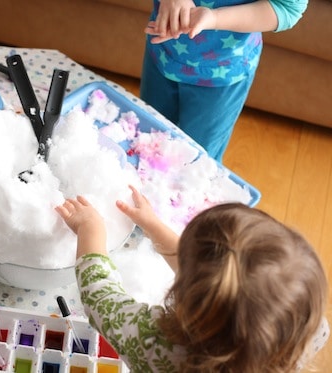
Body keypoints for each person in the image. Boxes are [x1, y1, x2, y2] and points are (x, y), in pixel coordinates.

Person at [56, 185, 329, 372]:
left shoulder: (157, 345)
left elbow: (99, 296)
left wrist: (90, 229)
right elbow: (214, 281)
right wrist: (152, 225)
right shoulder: (305, 325)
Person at [140, 0, 308, 162]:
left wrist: (215, 18)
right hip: (162, 54)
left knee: (196, 159)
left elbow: (287, 7)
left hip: (222, 76)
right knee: (144, 137)